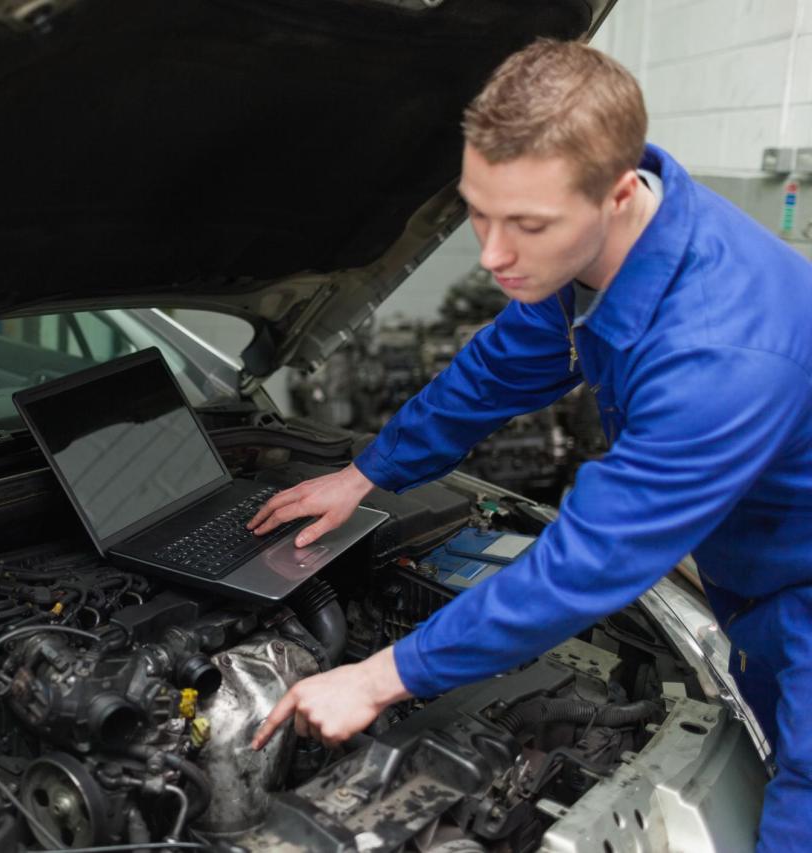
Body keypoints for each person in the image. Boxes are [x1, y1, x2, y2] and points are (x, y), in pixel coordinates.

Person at [247, 39, 812, 852]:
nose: (494, 254)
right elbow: (492, 373)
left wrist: (380, 675)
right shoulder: (597, 254)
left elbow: (588, 561)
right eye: (479, 210)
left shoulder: (722, 353)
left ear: (618, 195)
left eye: (528, 225)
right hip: (752, 578)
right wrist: (365, 472)